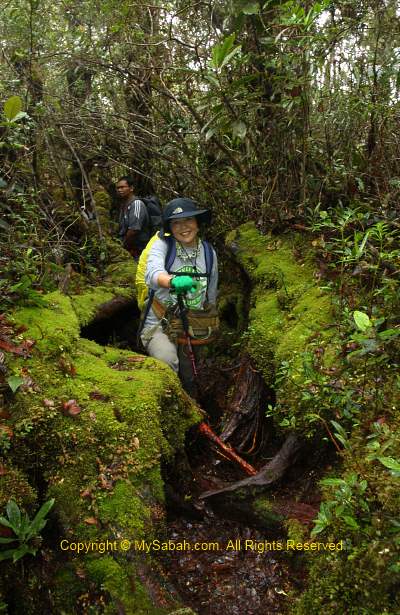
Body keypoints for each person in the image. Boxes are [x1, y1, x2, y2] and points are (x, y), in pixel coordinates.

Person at [140, 197, 218, 396]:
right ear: (169, 227)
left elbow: (211, 293)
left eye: (188, 220)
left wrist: (208, 322)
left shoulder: (209, 253)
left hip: (189, 324)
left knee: (190, 373)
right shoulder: (163, 246)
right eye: (176, 222)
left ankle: (193, 406)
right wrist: (172, 281)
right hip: (159, 322)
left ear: (198, 224)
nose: (183, 227)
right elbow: (152, 274)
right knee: (167, 361)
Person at [116, 176, 151, 259]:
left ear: (131, 188)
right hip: (129, 248)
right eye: (117, 188)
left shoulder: (137, 204)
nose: (119, 190)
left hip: (139, 250)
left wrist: (123, 246)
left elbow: (134, 230)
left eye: (122, 187)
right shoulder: (124, 205)